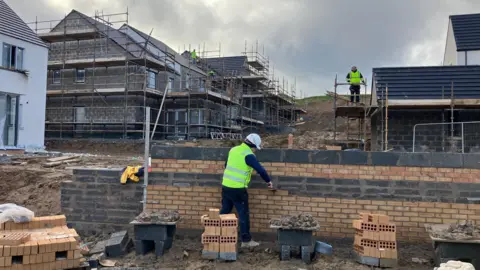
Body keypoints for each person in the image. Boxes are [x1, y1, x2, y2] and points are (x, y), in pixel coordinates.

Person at [220, 133, 272, 248]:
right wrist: (268, 181)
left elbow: (226, 165)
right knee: (243, 214)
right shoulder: (249, 155)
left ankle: (216, 233)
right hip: (238, 189)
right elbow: (261, 170)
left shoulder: (233, 150)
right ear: (253, 145)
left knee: (225, 211)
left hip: (225, 186)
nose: (254, 150)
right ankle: (246, 241)